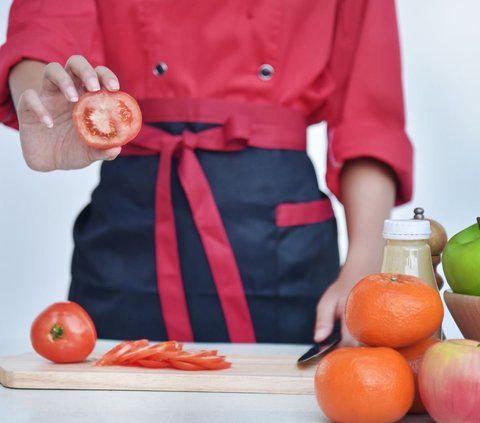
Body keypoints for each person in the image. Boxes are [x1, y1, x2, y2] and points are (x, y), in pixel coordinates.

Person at [0, 0, 412, 345]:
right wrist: (41, 99)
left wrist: (364, 263)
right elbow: (45, 28)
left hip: (282, 250)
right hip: (130, 236)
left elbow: (369, 117)